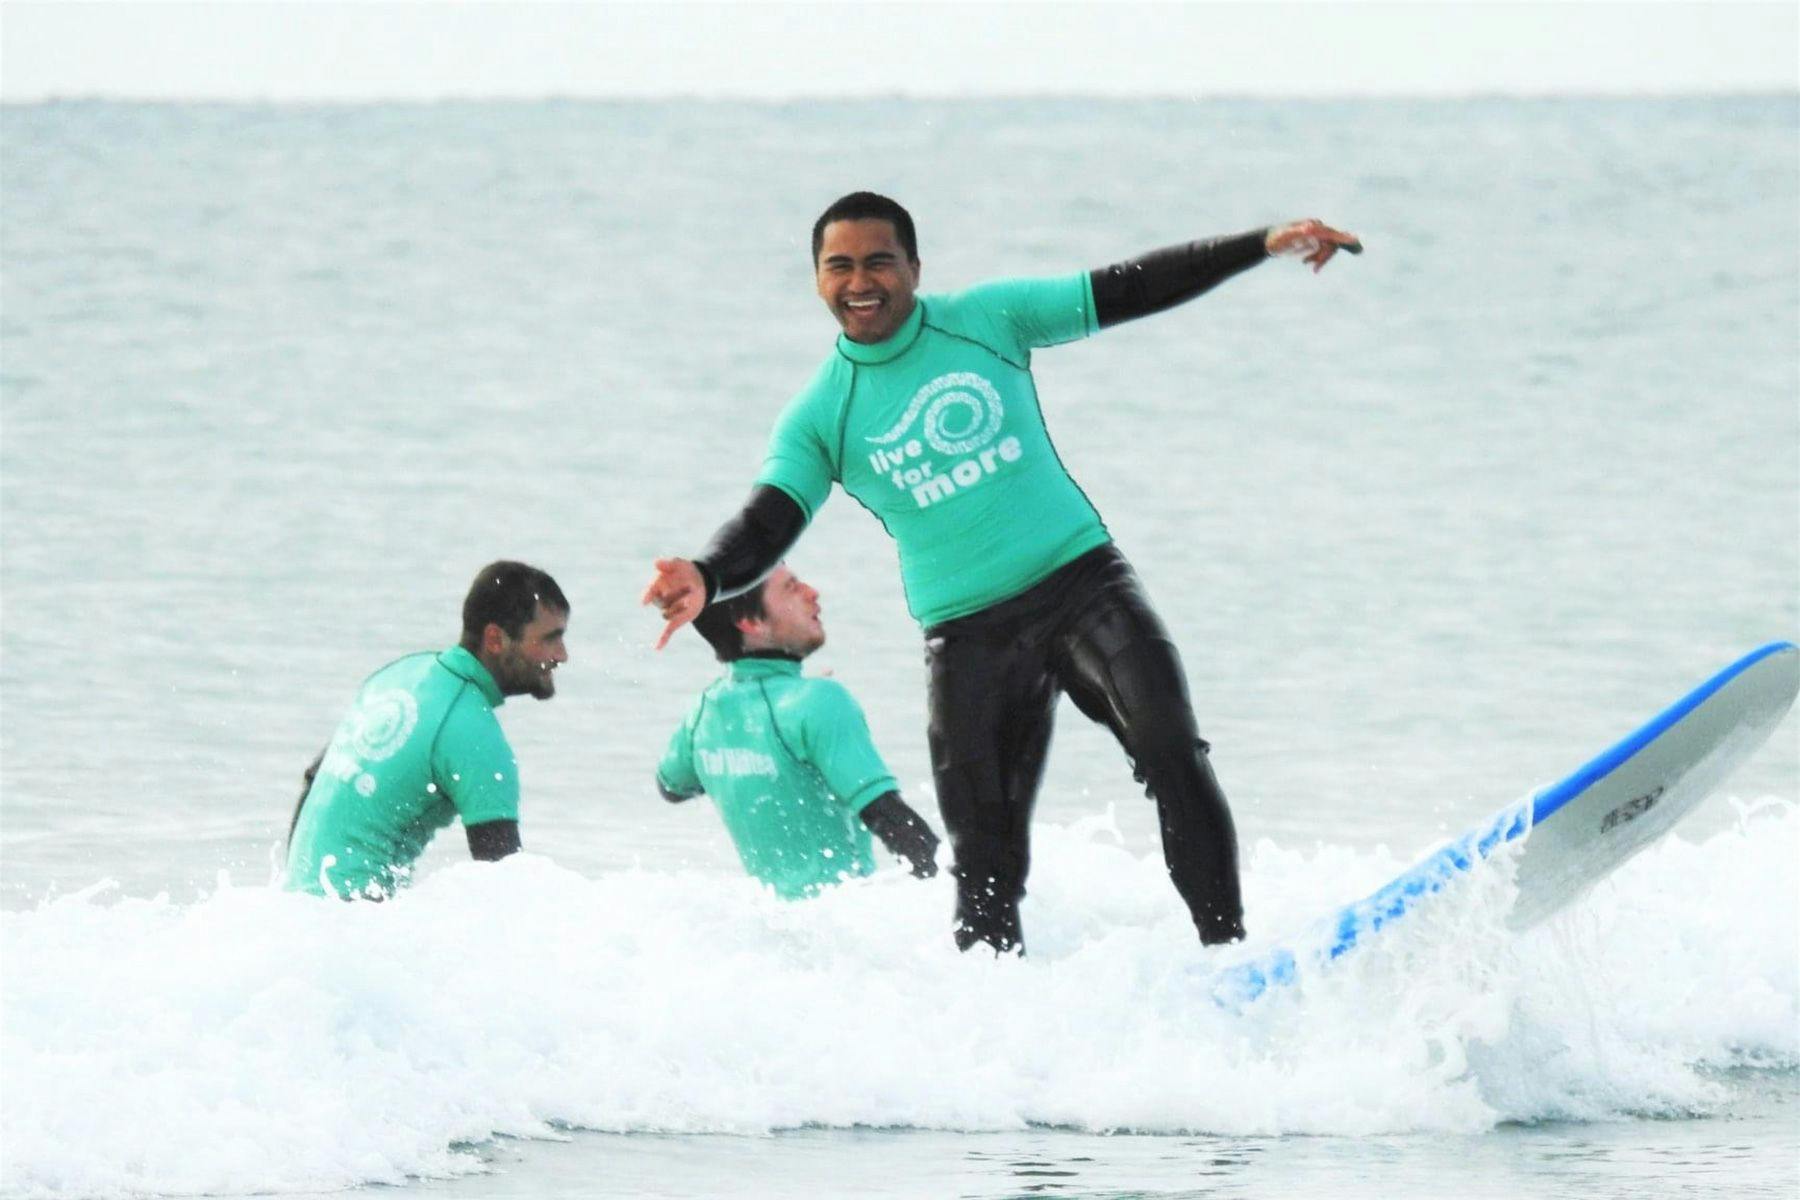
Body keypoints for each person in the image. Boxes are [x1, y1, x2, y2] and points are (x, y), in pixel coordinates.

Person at [642, 191, 1359, 953]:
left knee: (1172, 750)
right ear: (817, 278)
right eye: (840, 266)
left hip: (1083, 585)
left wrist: (1260, 243)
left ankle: (1231, 957)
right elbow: (768, 520)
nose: (862, 281)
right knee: (984, 861)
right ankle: (995, 1031)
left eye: (880, 261)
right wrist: (706, 572)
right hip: (969, 634)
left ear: (915, 266)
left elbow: (1130, 284)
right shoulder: (823, 413)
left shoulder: (989, 320)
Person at [285, 560, 571, 899]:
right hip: (352, 924)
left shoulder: (398, 675)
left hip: (295, 908)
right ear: (495, 639)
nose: (562, 655)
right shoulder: (475, 735)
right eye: (550, 639)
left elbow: (314, 775)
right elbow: (502, 891)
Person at [656, 563, 940, 898]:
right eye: (792, 588)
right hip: (842, 931)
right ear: (751, 622)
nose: (812, 592)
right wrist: (958, 890)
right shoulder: (818, 702)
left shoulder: (704, 712)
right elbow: (890, 820)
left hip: (772, 931)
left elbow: (671, 787)